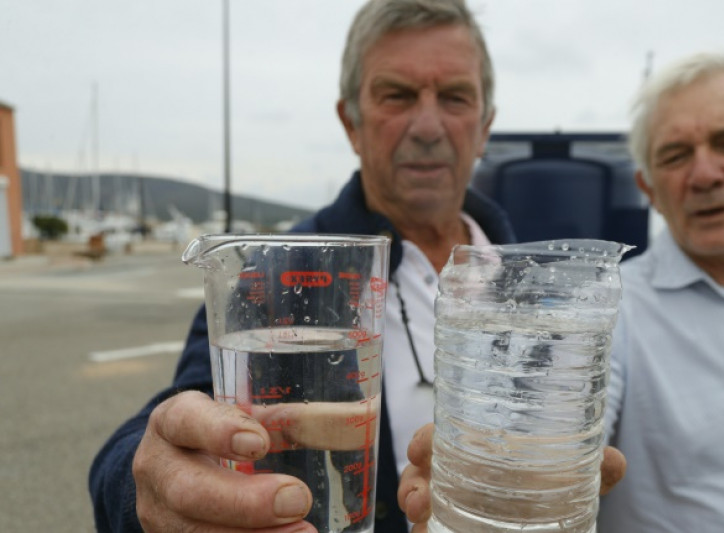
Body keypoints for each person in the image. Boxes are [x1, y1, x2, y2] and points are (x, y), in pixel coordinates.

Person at [398, 52, 724, 533]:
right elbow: (551, 436)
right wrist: (494, 482)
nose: (705, 175)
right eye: (675, 156)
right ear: (649, 187)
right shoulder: (608, 312)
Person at [88, 1, 510, 531]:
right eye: (397, 95)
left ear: (485, 125)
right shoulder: (279, 271)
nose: (428, 126)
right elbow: (164, 431)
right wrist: (154, 486)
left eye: (455, 97)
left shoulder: (533, 278)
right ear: (351, 122)